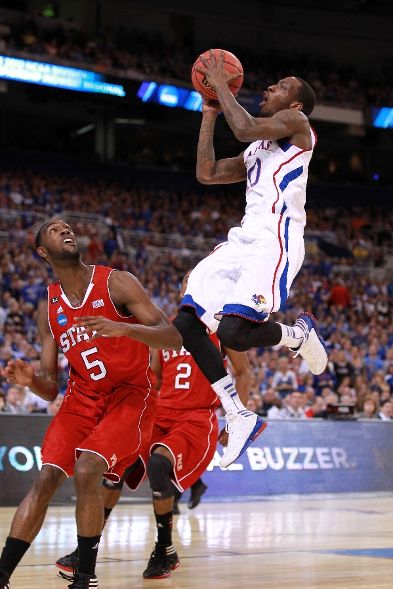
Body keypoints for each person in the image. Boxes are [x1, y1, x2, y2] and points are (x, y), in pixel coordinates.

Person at [0, 219, 181, 589]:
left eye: (67, 227)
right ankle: (2, 574)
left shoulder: (117, 282)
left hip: (131, 395)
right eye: (54, 230)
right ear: (42, 252)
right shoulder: (48, 309)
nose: (65, 231)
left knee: (86, 471)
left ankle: (85, 578)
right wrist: (29, 379)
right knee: (47, 477)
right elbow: (50, 387)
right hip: (82, 397)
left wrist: (126, 328)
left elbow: (172, 336)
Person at [173, 50, 328, 468]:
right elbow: (206, 173)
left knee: (236, 334)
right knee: (187, 319)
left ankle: (296, 336)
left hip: (275, 241)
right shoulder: (259, 146)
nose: (269, 88)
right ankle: (237, 414)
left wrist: (220, 82)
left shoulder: (298, 126)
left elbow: (241, 128)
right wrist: (208, 111)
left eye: (280, 86)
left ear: (295, 104)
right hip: (243, 238)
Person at [55, 271, 251, 580]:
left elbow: (243, 373)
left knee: (159, 466)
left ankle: (164, 550)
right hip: (159, 412)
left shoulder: (223, 328)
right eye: (189, 280)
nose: (196, 283)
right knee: (115, 468)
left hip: (195, 416)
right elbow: (156, 377)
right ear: (182, 290)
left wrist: (235, 416)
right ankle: (87, 549)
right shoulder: (167, 329)